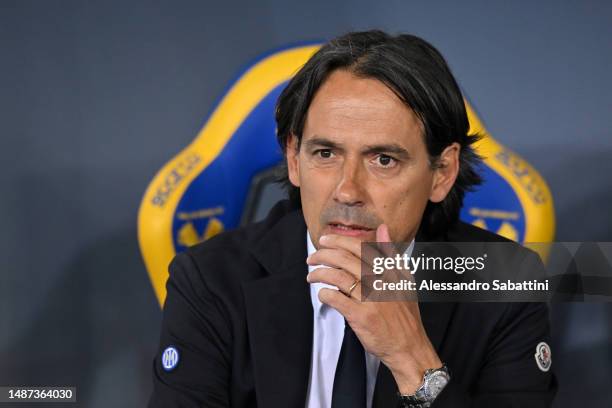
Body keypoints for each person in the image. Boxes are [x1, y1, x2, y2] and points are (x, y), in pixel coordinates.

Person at [148, 30, 557, 407]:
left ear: (442, 173)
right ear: (293, 158)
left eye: (383, 160)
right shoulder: (209, 278)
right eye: (325, 154)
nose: (347, 191)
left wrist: (412, 360)